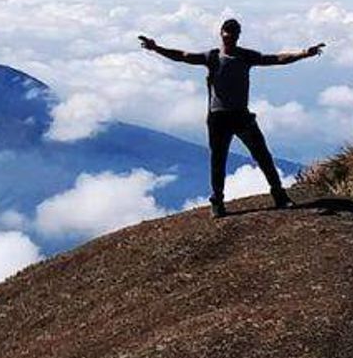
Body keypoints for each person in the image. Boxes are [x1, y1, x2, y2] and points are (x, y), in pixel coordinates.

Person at [138, 19, 324, 218]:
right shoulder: (212, 57)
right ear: (221, 34)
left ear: (237, 36)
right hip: (219, 117)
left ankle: (278, 195)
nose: (229, 38)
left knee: (262, 155)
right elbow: (183, 56)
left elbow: (276, 59)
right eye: (227, 34)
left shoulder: (245, 56)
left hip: (240, 115)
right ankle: (217, 201)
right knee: (219, 160)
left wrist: (304, 53)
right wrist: (156, 48)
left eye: (232, 35)